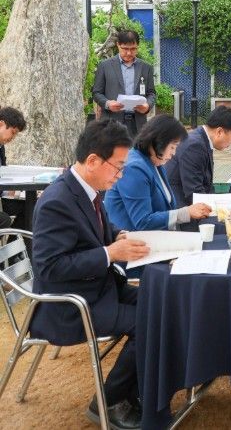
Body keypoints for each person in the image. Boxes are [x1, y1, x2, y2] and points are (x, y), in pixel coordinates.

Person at [30, 120, 151, 429]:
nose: (121, 175)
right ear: (94, 160)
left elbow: (97, 230)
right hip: (69, 304)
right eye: (118, 167)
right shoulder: (56, 202)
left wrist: (118, 235)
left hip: (100, 288)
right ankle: (108, 401)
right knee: (148, 323)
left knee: (160, 302)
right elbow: (50, 267)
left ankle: (136, 391)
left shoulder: (87, 190)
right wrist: (110, 253)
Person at [104, 115, 212, 232]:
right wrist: (186, 213)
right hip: (132, 238)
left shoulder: (155, 163)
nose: (173, 153)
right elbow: (143, 222)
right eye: (172, 147)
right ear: (159, 142)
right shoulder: (134, 168)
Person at [165, 105, 231, 207]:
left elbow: (206, 186)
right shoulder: (194, 146)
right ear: (219, 132)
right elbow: (194, 193)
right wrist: (222, 207)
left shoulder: (202, 139)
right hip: (179, 207)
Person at [92, 30, 156, 137]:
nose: (129, 53)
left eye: (133, 49)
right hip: (111, 123)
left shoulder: (146, 67)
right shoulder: (105, 66)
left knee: (136, 148)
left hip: (138, 124)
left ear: (138, 46)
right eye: (125, 49)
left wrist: (147, 105)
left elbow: (151, 93)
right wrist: (108, 104)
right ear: (118, 45)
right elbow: (96, 93)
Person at [0, 107, 28, 229]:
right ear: (1, 124)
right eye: (13, 132)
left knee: (28, 206)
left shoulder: (1, 147)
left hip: (2, 194)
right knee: (4, 220)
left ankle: (16, 241)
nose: (13, 138)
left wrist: (10, 190)